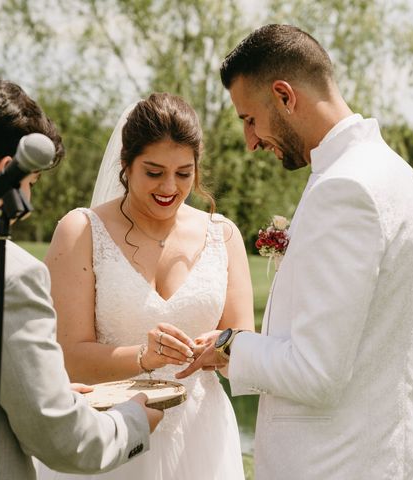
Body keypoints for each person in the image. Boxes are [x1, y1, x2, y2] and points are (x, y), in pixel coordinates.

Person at [178, 24, 413, 479]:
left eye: (249, 119)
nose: (251, 141)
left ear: (284, 95)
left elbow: (315, 372)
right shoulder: (395, 174)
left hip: (336, 465)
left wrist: (231, 346)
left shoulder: (346, 189)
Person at [0, 77, 163, 480]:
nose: (29, 203)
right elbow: (66, 444)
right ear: (3, 172)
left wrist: (46, 392)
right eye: (30, 184)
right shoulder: (7, 275)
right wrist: (132, 421)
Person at [36, 92, 253, 480]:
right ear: (126, 165)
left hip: (201, 438)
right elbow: (66, 357)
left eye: (184, 173)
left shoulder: (224, 235)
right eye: (153, 172)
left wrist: (219, 347)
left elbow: (243, 342)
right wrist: (143, 356)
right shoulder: (82, 231)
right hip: (111, 433)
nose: (169, 186)